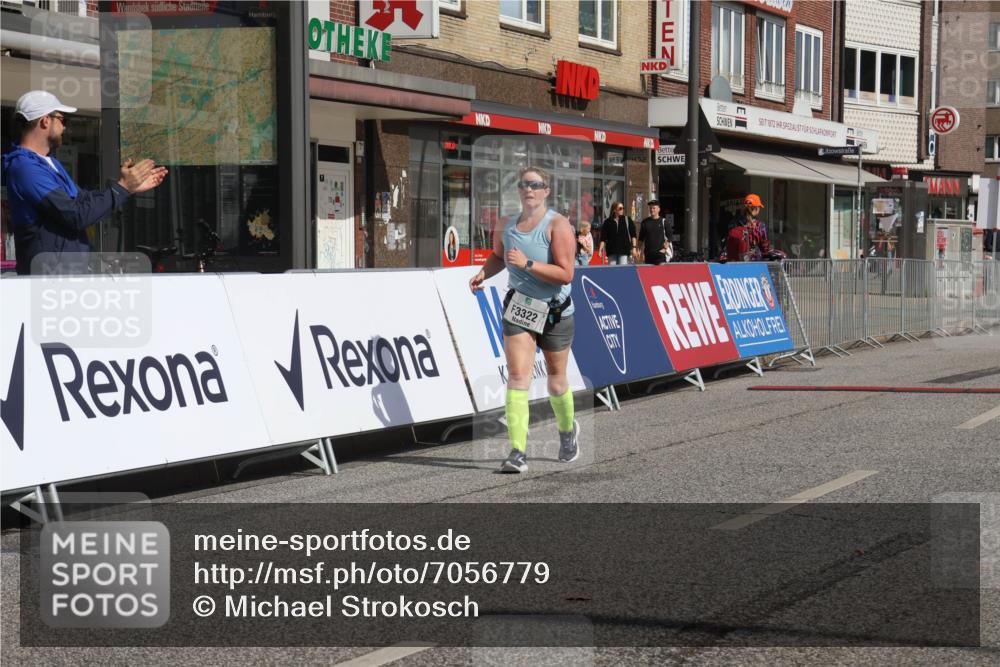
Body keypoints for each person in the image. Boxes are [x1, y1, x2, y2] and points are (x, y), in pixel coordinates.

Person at [469, 166, 579, 473]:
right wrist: (483, 273)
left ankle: (568, 431)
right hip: (519, 308)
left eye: (535, 185)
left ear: (546, 190)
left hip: (556, 312)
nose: (528, 189)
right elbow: (497, 256)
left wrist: (528, 263)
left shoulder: (557, 225)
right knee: (518, 376)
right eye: (523, 185)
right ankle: (517, 451)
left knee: (557, 382)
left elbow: (566, 274)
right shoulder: (506, 224)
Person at [2, 90, 167, 275]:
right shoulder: (25, 168)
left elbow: (82, 200)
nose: (65, 127)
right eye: (63, 120)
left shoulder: (48, 163)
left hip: (66, 277)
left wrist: (128, 188)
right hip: (49, 282)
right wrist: (122, 188)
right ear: (45, 120)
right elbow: (75, 215)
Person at [725, 194, 771, 262]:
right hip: (755, 262)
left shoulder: (734, 222)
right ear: (756, 208)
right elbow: (765, 249)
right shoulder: (761, 226)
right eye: (759, 207)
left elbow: (728, 241)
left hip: (736, 262)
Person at [598, 201, 636, 265]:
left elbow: (633, 235)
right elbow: (603, 238)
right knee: (612, 271)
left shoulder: (627, 219)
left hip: (624, 250)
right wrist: (600, 250)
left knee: (622, 271)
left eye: (623, 208)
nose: (622, 210)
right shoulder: (607, 222)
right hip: (612, 250)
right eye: (620, 208)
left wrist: (634, 248)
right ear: (614, 210)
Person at [637, 200, 673, 265]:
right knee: (648, 274)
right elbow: (641, 238)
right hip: (648, 254)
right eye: (650, 208)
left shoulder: (664, 222)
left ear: (659, 209)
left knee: (660, 274)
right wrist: (639, 250)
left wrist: (664, 249)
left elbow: (670, 236)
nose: (652, 210)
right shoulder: (645, 222)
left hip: (660, 255)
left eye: (654, 208)